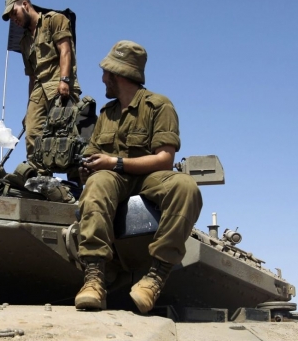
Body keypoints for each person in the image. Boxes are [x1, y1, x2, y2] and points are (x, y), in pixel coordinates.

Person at [74, 41, 203, 314]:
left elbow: (164, 159)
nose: (102, 78)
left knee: (185, 186)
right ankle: (94, 278)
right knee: (97, 183)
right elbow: (93, 154)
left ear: (118, 74)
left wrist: (115, 162)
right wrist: (88, 169)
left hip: (150, 177)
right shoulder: (107, 114)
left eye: (106, 73)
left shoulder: (159, 106)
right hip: (114, 180)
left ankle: (155, 277)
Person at [1, 0, 81, 173]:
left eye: (14, 13)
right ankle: (40, 178)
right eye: (11, 17)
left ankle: (75, 181)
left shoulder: (55, 20)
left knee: (67, 135)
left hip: (58, 82)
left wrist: (64, 80)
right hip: (38, 88)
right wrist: (29, 106)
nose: (14, 19)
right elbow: (31, 76)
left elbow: (65, 51)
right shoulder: (24, 41)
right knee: (32, 131)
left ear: (25, 5)